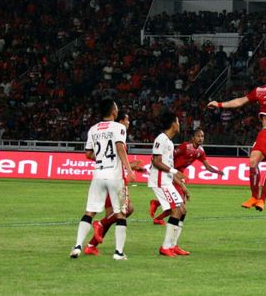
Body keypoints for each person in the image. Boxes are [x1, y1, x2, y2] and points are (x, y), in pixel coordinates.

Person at [207, 64, 266, 212]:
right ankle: (253, 196)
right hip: (265, 132)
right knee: (252, 161)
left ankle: (262, 200)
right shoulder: (259, 91)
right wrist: (219, 104)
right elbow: (240, 101)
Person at [70, 98, 136, 260]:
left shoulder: (93, 129)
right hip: (114, 176)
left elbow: (88, 154)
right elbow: (120, 148)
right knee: (121, 213)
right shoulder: (119, 127)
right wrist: (129, 169)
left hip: (98, 175)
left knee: (89, 211)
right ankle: (118, 253)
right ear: (114, 111)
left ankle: (78, 246)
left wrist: (101, 159)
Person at [84, 112, 145, 255]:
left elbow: (110, 159)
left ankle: (91, 246)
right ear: (121, 121)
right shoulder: (118, 134)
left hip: (106, 177)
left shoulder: (112, 135)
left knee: (112, 214)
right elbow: (116, 155)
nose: (129, 122)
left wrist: (131, 165)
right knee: (126, 210)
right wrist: (130, 170)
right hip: (116, 180)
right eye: (127, 119)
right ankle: (100, 224)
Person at [150, 128, 224, 225]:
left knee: (179, 203)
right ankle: (158, 216)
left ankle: (157, 206)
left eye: (202, 136)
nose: (200, 138)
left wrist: (217, 171)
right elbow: (169, 156)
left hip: (179, 174)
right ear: (193, 138)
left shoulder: (201, 151)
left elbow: (207, 166)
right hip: (172, 174)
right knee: (179, 204)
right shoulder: (185, 147)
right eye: (198, 136)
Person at [148, 111, 190, 257]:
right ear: (173, 124)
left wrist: (182, 186)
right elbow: (156, 162)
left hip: (166, 180)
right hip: (160, 181)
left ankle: (173, 245)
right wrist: (174, 171)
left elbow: (169, 168)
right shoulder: (161, 139)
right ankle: (165, 247)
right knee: (176, 211)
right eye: (178, 121)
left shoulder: (169, 142)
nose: (179, 124)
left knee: (182, 210)